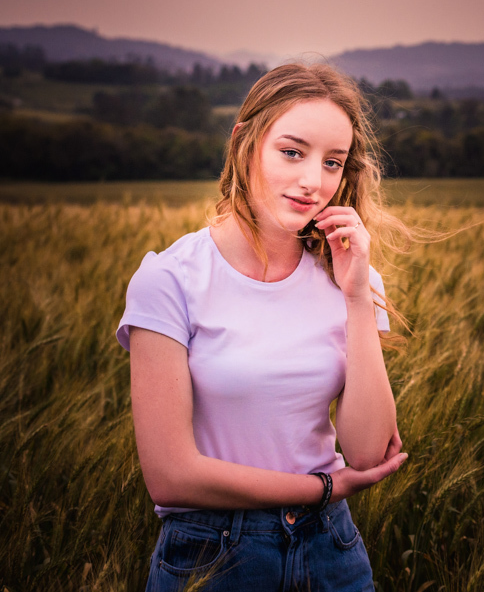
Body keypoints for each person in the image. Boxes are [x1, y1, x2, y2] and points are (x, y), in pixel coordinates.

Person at [117, 62, 417, 591]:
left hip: (333, 553)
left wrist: (354, 299)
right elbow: (169, 474)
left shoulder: (351, 279)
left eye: (332, 163)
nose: (312, 182)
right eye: (292, 152)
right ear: (244, 141)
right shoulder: (170, 279)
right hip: (211, 556)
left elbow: (369, 453)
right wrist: (323, 486)